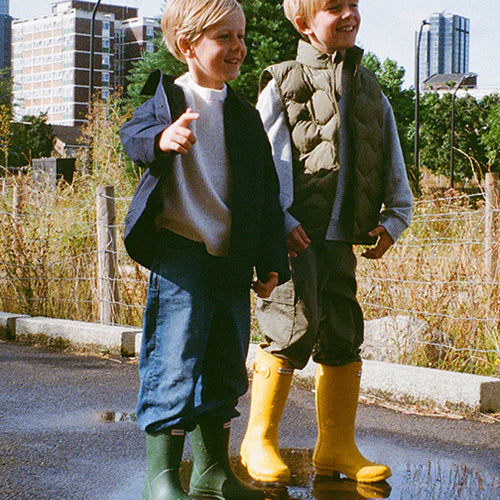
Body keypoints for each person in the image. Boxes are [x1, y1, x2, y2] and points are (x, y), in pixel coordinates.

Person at [120, 1, 290, 498]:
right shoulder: (168, 98)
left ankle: (212, 473)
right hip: (182, 256)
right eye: (224, 38)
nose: (237, 47)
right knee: (172, 362)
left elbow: (262, 194)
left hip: (231, 259)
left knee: (223, 366)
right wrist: (162, 137)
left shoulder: (243, 113)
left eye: (240, 37)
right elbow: (131, 136)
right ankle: (162, 478)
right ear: (188, 45)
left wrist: (271, 260)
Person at [240, 0, 413, 486]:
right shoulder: (282, 82)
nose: (348, 14)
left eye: (353, 4)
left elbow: (392, 158)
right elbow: (263, 165)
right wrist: (280, 220)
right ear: (303, 22)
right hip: (294, 240)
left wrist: (395, 219)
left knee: (341, 332)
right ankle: (259, 439)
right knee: (290, 327)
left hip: (341, 240)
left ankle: (336, 445)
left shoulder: (371, 87)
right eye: (333, 6)